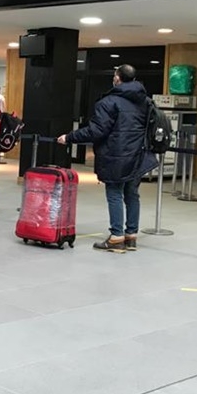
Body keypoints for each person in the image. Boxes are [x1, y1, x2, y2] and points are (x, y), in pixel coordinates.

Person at [57, 64, 158, 253]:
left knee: (114, 194)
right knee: (132, 194)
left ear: (117, 78)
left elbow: (97, 130)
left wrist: (70, 137)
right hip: (138, 154)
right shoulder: (145, 101)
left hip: (115, 156)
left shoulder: (108, 102)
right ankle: (131, 236)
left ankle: (116, 237)